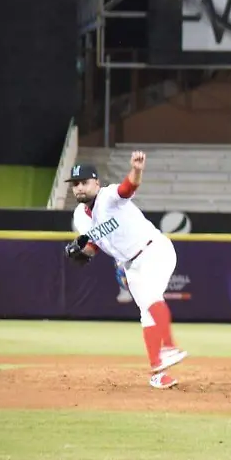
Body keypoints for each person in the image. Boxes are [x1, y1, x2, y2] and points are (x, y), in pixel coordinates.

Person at [64, 154, 187, 389]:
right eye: (75, 184)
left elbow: (128, 187)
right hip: (130, 265)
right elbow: (95, 245)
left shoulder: (108, 196)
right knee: (146, 313)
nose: (79, 187)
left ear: (96, 183)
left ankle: (169, 347)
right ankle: (158, 372)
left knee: (151, 299)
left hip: (154, 250)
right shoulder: (80, 216)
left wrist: (136, 170)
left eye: (83, 182)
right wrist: (80, 252)